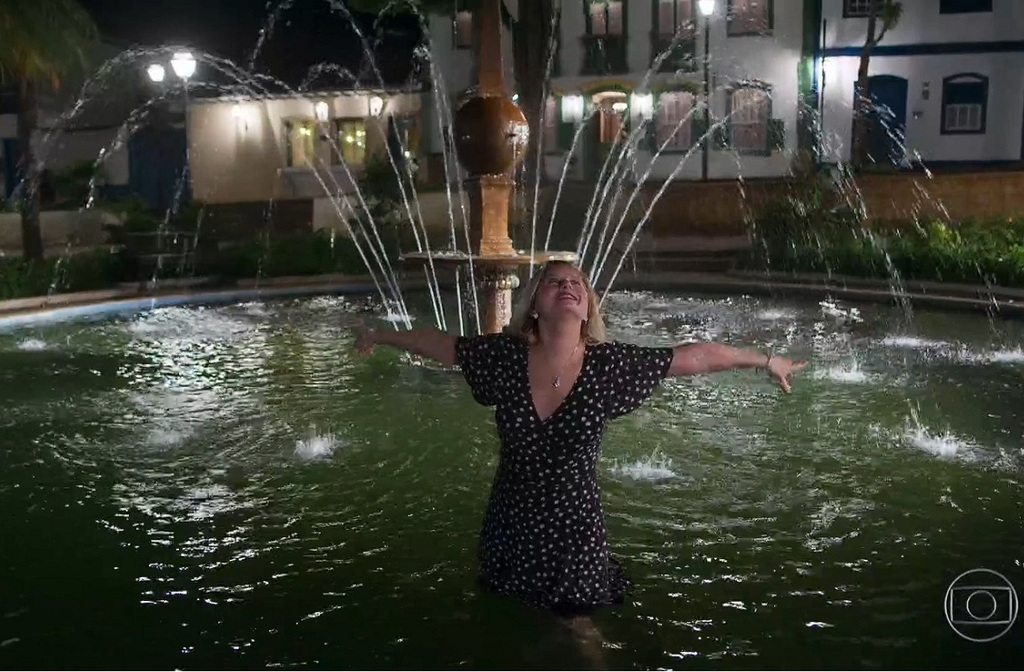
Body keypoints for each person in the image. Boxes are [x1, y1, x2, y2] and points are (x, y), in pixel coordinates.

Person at [353, 261, 805, 656]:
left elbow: (695, 358)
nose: (568, 286)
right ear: (535, 304)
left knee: (581, 627)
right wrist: (381, 336)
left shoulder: (608, 366)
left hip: (575, 528)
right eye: (555, 282)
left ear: (587, 309)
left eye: (577, 284)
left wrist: (766, 361)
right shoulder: (504, 358)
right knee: (507, 619)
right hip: (511, 521)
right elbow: (439, 344)